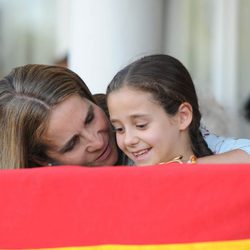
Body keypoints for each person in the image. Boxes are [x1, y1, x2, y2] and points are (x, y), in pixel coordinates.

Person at [0, 63, 249, 169]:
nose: (98, 142)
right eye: (72, 144)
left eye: (89, 118)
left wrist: (174, 171)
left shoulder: (139, 128)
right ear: (42, 160)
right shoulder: (33, 196)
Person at [106, 54, 250, 165]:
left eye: (141, 125)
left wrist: (182, 169)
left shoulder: (222, 152)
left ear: (183, 116)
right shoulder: (123, 171)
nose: (128, 140)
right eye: (119, 129)